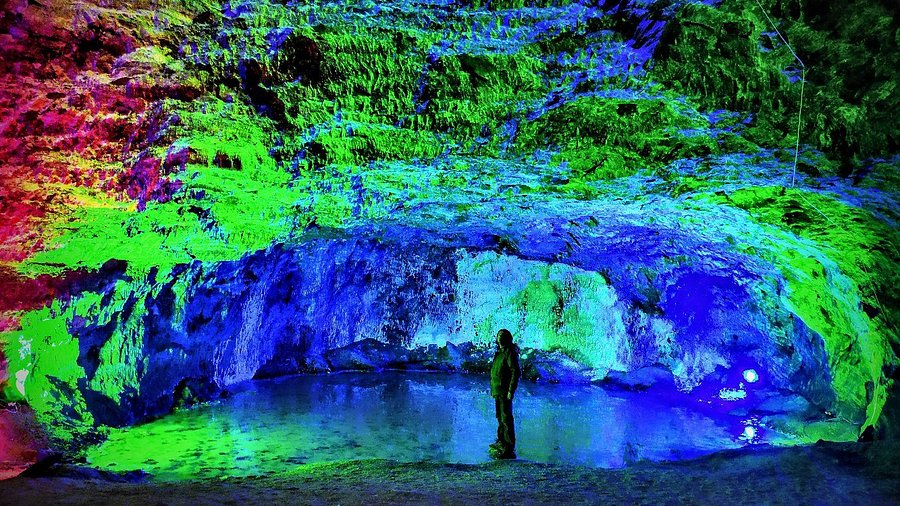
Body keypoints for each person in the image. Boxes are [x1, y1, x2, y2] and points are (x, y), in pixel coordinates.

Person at [489, 328, 521, 459]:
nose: (499, 338)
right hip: (497, 390)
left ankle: (509, 448)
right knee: (500, 417)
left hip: (504, 391)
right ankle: (501, 441)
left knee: (506, 418)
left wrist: (510, 391)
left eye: (502, 335)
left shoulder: (509, 352)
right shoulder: (499, 352)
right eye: (498, 335)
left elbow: (515, 372)